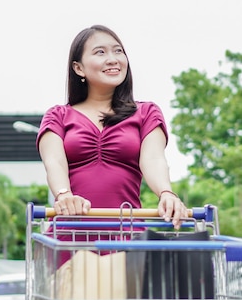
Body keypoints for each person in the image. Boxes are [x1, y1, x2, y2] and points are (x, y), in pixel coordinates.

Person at [37, 24, 187, 229]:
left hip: (128, 235)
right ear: (78, 68)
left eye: (118, 51)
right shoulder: (58, 116)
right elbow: (54, 162)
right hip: (71, 233)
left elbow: (153, 159)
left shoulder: (146, 113)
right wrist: (64, 194)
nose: (113, 59)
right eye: (100, 52)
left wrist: (166, 192)